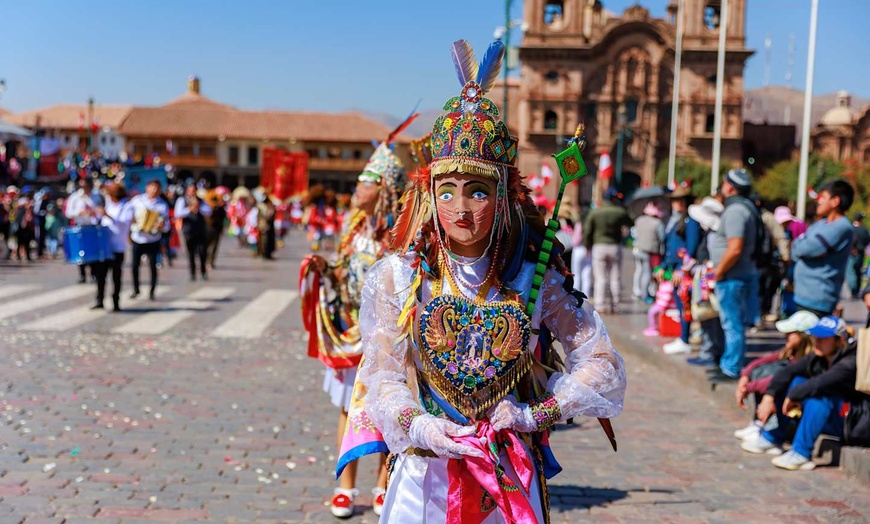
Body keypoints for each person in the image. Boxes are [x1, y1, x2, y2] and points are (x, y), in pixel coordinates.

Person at [357, 40, 625, 522]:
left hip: (506, 477)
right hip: (424, 478)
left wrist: (533, 414)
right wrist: (418, 425)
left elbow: (600, 362)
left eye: (477, 192)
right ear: (430, 195)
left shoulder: (534, 278)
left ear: (503, 196)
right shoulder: (400, 277)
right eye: (448, 192)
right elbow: (381, 376)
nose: (461, 209)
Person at [303, 116, 415, 518]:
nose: (357, 188)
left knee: (390, 408)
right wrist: (326, 268)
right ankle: (345, 484)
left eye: (365, 182)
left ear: (383, 188)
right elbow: (344, 273)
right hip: (354, 330)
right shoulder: (354, 229)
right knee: (350, 408)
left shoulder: (399, 234)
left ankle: (384, 482)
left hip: (387, 337)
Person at [742, 315, 869, 470]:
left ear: (839, 341)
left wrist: (792, 395)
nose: (817, 341)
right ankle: (772, 437)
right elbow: (787, 371)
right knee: (795, 380)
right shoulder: (820, 354)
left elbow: (821, 383)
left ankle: (801, 453)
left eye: (823, 338)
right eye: (816, 337)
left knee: (820, 398)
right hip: (832, 415)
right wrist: (769, 397)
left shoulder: (851, 361)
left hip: (854, 421)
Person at [732, 310, 818, 441]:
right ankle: (760, 422)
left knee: (774, 379)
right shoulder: (790, 351)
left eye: (790, 333)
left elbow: (777, 380)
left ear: (803, 336)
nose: (785, 335)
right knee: (760, 371)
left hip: (795, 408)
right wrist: (745, 376)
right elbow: (763, 360)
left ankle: (771, 429)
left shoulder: (808, 361)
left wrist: (748, 387)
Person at [709, 169, 760, 381]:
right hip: (737, 275)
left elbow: (735, 248)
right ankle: (729, 362)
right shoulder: (743, 207)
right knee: (733, 324)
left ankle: (731, 367)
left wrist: (719, 272)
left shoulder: (736, 211)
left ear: (730, 187)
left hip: (732, 277)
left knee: (732, 325)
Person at [791, 179, 855, 317]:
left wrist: (801, 246)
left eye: (823, 197)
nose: (818, 201)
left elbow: (808, 249)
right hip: (802, 296)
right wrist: (800, 246)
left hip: (818, 299)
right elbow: (796, 250)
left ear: (835, 201)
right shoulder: (820, 224)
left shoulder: (841, 227)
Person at [661, 185, 702, 355]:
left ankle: (685, 339)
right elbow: (670, 248)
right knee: (681, 305)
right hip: (675, 269)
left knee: (685, 305)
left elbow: (691, 249)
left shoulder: (690, 221)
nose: (676, 203)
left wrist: (681, 270)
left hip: (684, 272)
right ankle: (684, 336)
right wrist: (663, 266)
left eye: (680, 200)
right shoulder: (674, 221)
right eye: (674, 200)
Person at [584, 187, 633, 313]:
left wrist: (587, 246)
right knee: (615, 277)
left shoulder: (596, 212)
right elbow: (630, 222)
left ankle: (600, 305)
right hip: (615, 246)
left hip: (599, 246)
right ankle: (616, 305)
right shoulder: (619, 211)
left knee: (600, 278)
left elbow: (588, 230)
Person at [93, 184, 133, 311]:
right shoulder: (109, 204)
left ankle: (116, 301)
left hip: (118, 246)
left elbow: (123, 224)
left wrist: (107, 215)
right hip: (105, 245)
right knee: (100, 275)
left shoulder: (127, 206)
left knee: (116, 276)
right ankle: (99, 300)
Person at [129, 179, 170, 300]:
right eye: (152, 187)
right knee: (135, 265)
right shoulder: (137, 201)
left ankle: (152, 291)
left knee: (153, 266)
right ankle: (136, 289)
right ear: (147, 187)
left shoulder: (162, 205)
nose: (154, 190)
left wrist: (161, 225)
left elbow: (167, 225)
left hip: (153, 239)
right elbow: (128, 214)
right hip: (138, 237)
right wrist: (133, 221)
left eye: (157, 188)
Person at [64, 177, 101, 282]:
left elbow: (100, 212)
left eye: (86, 186)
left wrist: (94, 213)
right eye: (82, 186)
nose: (84, 189)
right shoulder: (75, 197)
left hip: (92, 227)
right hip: (79, 226)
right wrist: (78, 213)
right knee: (80, 252)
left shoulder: (96, 197)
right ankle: (82, 275)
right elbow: (68, 213)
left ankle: (93, 274)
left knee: (93, 251)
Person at [175, 183, 212, 281]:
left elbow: (208, 211)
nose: (192, 192)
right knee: (191, 252)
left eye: (194, 190)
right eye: (190, 190)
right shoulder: (182, 200)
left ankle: (203, 271)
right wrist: (189, 209)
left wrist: (199, 207)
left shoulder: (201, 200)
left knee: (202, 252)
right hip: (188, 230)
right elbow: (178, 213)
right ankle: (192, 273)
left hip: (200, 229)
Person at [632, 202, 664, 303]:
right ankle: (644, 294)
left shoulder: (639, 220)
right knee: (647, 273)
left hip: (638, 249)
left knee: (639, 271)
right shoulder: (657, 223)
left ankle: (636, 290)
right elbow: (662, 238)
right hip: (649, 252)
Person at [848, 212, 870, 298]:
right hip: (860, 253)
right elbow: (867, 240)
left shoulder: (850, 228)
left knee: (850, 271)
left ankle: (853, 289)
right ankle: (856, 289)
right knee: (858, 271)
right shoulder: (864, 230)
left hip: (851, 253)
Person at [205, 192, 226, 270]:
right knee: (206, 247)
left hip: (216, 230)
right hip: (207, 230)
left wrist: (222, 229)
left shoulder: (220, 209)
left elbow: (222, 220)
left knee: (214, 247)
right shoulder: (206, 209)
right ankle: (205, 260)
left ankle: (211, 262)